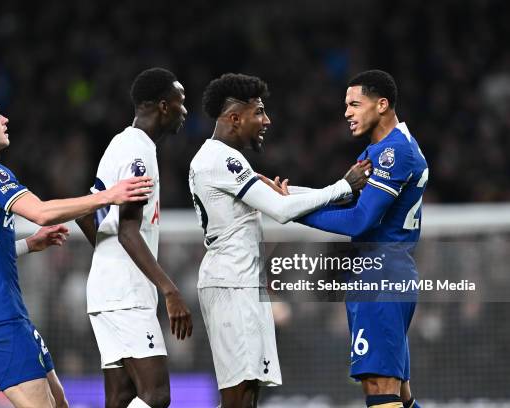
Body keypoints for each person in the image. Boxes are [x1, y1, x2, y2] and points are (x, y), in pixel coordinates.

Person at [0, 93, 153, 408]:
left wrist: (28, 244)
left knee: (60, 403)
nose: (5, 119)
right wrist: (109, 196)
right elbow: (41, 212)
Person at [188, 73, 370, 408]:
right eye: (258, 112)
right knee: (237, 395)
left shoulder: (221, 160)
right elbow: (281, 209)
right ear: (234, 118)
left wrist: (340, 195)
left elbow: (281, 195)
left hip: (239, 283)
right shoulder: (221, 160)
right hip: (231, 284)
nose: (266, 120)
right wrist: (343, 187)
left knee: (248, 393)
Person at [293, 70, 427, 408]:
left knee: (379, 389)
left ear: (382, 105)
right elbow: (349, 201)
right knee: (400, 394)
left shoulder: (392, 153)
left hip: (380, 274)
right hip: (384, 272)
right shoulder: (383, 148)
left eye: (355, 104)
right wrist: (292, 194)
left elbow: (359, 220)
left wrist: (293, 211)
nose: (347, 113)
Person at [75, 68, 193, 408]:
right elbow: (128, 230)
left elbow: (86, 215)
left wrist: (108, 260)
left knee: (123, 397)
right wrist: (169, 290)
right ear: (163, 106)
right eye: (180, 103)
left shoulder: (120, 143)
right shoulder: (139, 153)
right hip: (126, 295)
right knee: (156, 396)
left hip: (106, 291)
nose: (185, 111)